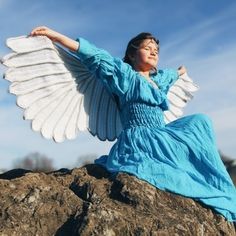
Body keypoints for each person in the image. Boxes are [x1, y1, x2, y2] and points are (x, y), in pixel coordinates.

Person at [30, 26, 236, 222]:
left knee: (200, 121)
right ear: (132, 54)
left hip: (160, 133)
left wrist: (181, 71)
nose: (154, 52)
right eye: (147, 48)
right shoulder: (125, 76)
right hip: (140, 138)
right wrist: (55, 35)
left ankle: (219, 185)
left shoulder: (158, 81)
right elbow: (95, 56)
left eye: (156, 50)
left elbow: (170, 75)